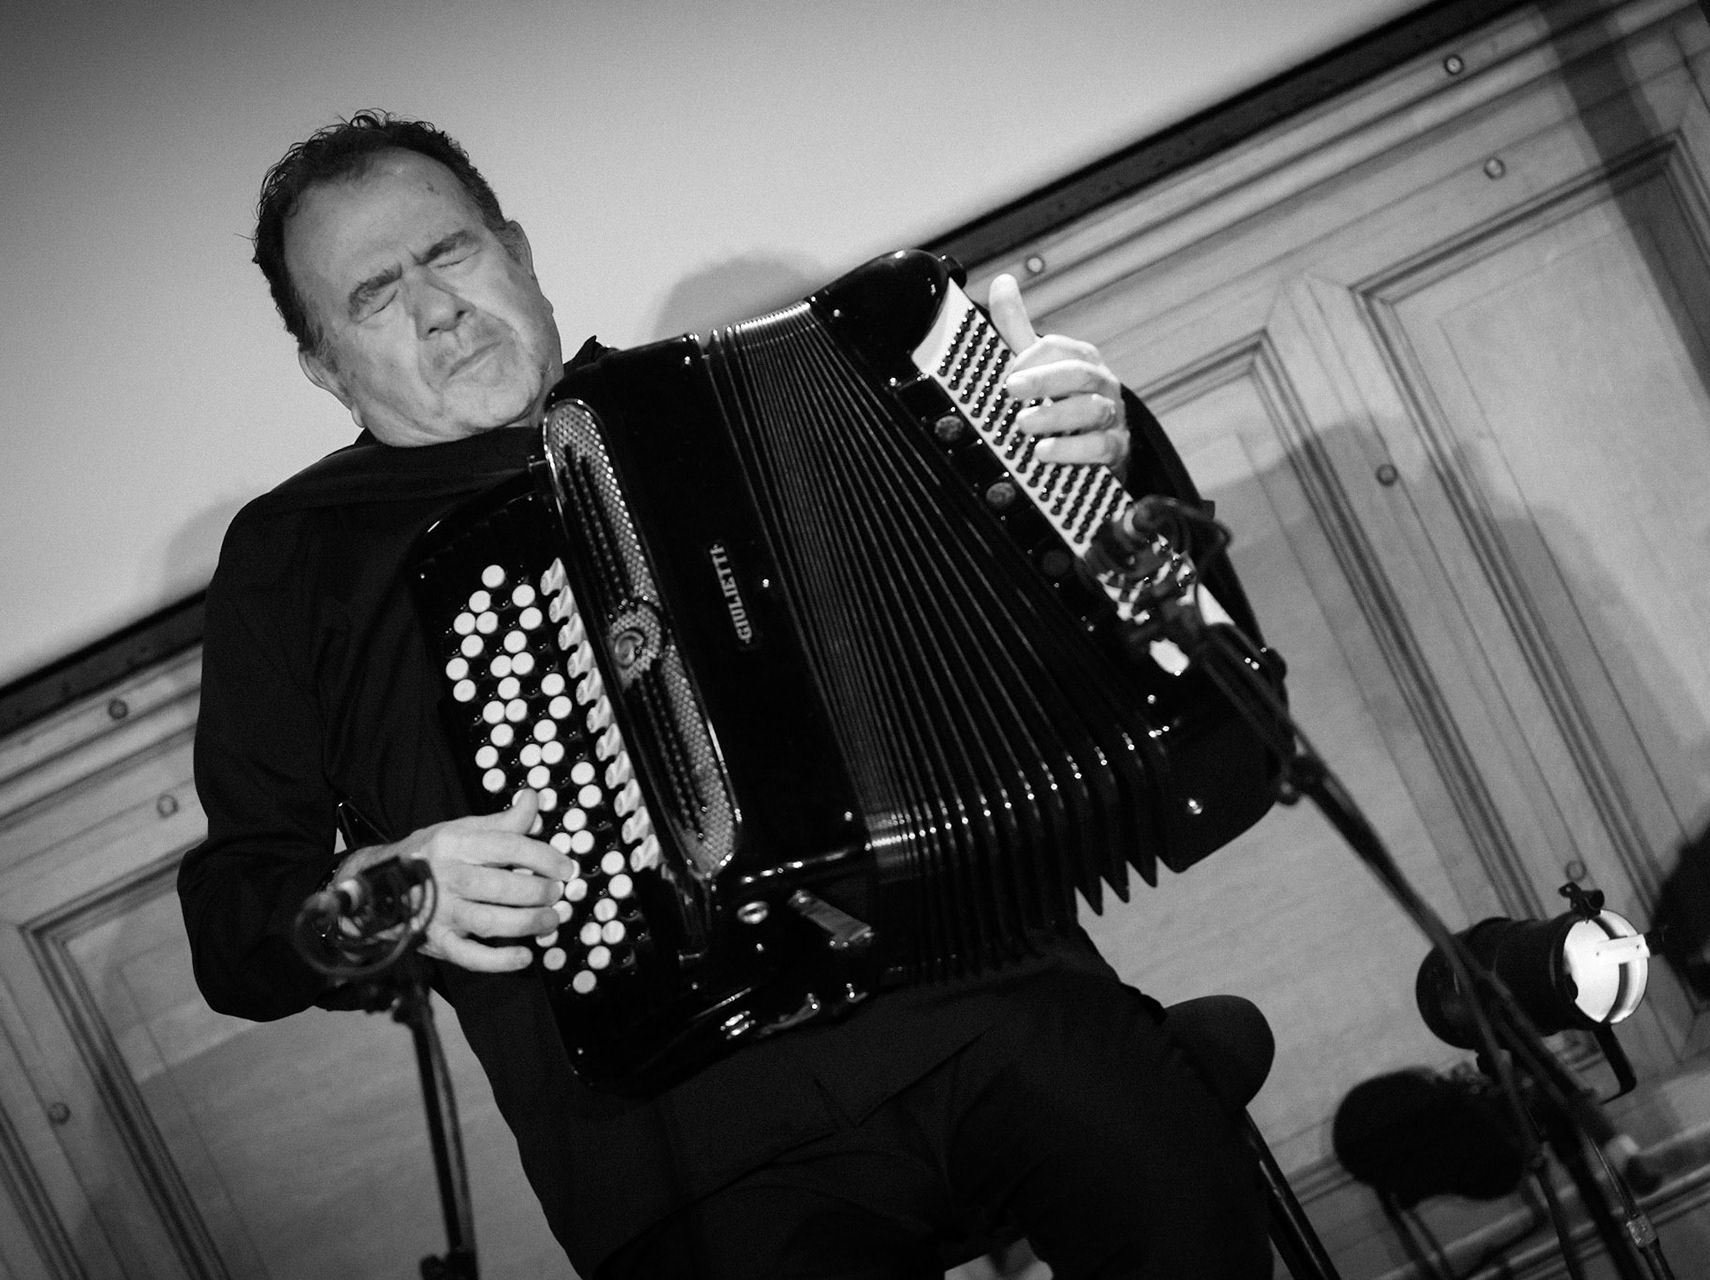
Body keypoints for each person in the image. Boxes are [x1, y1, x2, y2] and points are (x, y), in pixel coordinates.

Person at [180, 111, 1271, 1279]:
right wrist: (392, 887)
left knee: (1188, 1216)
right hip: (676, 1154)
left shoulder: (732, 402)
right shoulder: (294, 562)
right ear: (322, 366)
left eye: (449, 253)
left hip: (974, 992)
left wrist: (1089, 456)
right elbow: (235, 922)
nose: (437, 306)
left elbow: (1113, 622)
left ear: (518, 248)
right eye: (374, 294)